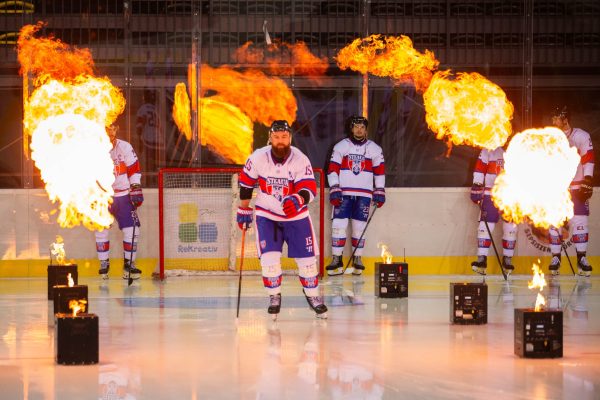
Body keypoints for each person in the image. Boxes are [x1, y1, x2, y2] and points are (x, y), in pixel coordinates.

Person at [237, 120, 327, 319]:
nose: (280, 141)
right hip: (267, 214)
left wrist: (298, 199)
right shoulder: (258, 157)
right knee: (269, 260)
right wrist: (244, 210)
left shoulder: (300, 159)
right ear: (270, 137)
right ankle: (274, 296)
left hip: (296, 216)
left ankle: (312, 296)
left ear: (290, 138)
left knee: (308, 262)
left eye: (284, 137)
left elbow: (309, 188)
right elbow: (246, 184)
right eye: (276, 137)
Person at [326, 116, 385, 276]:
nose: (359, 130)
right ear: (351, 129)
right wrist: (335, 187)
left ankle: (357, 258)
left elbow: (379, 172)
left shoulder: (375, 149)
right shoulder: (341, 146)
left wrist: (379, 190)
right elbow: (332, 169)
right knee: (338, 226)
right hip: (343, 193)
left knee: (359, 228)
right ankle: (337, 259)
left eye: (362, 127)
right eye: (356, 127)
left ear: (366, 130)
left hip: (364, 195)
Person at [547, 106, 594, 276]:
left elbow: (588, 158)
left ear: (565, 119)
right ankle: (556, 258)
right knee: (555, 222)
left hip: (577, 186)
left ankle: (581, 258)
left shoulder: (581, 136)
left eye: (556, 118)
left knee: (580, 222)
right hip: (557, 188)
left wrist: (587, 179)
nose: (553, 121)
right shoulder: (550, 138)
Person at [96, 124, 144, 280]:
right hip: (102, 196)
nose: (110, 136)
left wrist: (135, 187)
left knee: (133, 230)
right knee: (101, 229)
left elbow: (134, 169)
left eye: (112, 132)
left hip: (123, 195)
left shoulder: (125, 147)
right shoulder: (92, 148)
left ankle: (129, 264)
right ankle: (104, 264)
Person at [470, 146, 518, 275]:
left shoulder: (519, 147)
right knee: (484, 227)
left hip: (510, 195)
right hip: (490, 194)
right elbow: (480, 169)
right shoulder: (489, 149)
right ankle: (481, 259)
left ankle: (507, 259)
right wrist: (477, 185)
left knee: (511, 228)